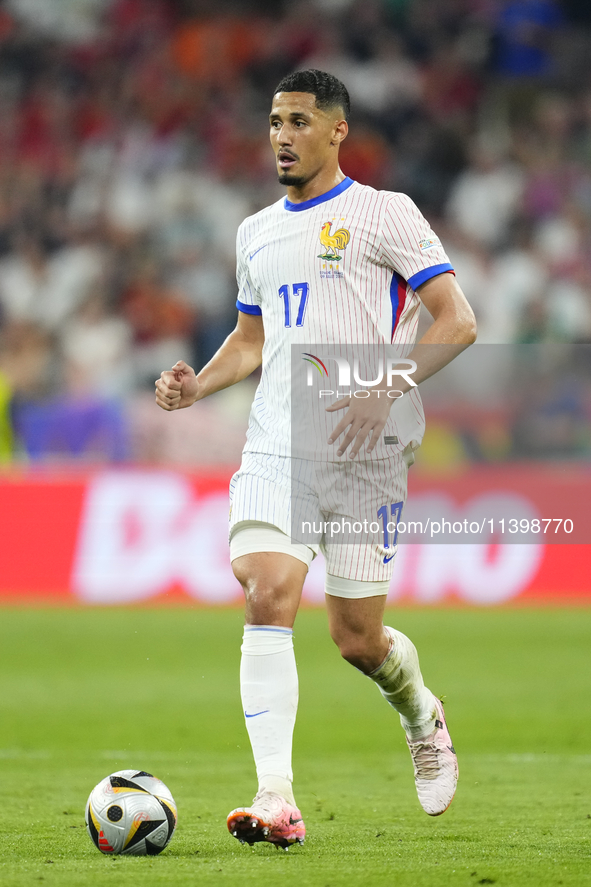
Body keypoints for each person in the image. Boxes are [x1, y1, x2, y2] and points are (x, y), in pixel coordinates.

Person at [155, 69, 477, 851]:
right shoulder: (254, 231)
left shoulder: (383, 214)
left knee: (357, 639)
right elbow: (252, 341)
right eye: (272, 121)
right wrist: (201, 381)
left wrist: (384, 382)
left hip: (366, 454)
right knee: (268, 589)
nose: (281, 135)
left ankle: (419, 713)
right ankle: (275, 796)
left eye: (298, 120)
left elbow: (456, 320)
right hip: (277, 442)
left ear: (337, 131)